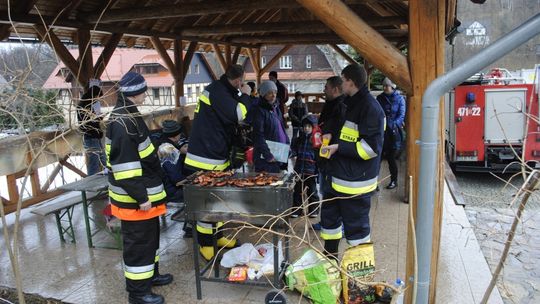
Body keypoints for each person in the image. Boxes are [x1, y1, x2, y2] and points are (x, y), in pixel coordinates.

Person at [105, 71, 173, 304]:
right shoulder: (122, 123)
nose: (146, 94)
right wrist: (141, 197)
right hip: (135, 200)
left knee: (150, 240)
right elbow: (125, 168)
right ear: (134, 93)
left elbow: (141, 152)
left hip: (146, 195)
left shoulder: (129, 114)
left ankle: (150, 276)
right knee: (139, 245)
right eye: (144, 91)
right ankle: (137, 293)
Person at [185, 64, 251, 260]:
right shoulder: (217, 91)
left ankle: (218, 236)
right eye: (242, 83)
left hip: (217, 153)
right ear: (239, 81)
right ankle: (206, 244)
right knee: (207, 204)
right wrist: (246, 95)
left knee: (220, 201)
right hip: (205, 157)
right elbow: (238, 114)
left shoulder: (223, 90)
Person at [319, 64, 385, 259]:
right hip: (336, 178)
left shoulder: (371, 108)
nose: (341, 83)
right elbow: (342, 127)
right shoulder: (349, 102)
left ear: (350, 82)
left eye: (343, 79)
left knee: (356, 232)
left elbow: (371, 148)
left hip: (355, 185)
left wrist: (339, 148)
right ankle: (330, 265)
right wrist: (330, 133)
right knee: (330, 224)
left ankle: (358, 278)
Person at [312, 76, 347, 231]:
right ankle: (326, 221)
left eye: (326, 87)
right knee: (325, 192)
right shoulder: (331, 104)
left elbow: (335, 132)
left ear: (335, 89)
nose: (323, 90)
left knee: (333, 193)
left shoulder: (341, 107)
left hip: (333, 157)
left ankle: (340, 225)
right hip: (325, 156)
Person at [251, 80, 290, 173]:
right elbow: (258, 135)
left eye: (275, 92)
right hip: (266, 159)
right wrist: (267, 154)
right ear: (263, 95)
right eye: (270, 93)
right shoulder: (259, 111)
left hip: (279, 154)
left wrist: (287, 144)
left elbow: (281, 128)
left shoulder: (275, 107)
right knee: (267, 184)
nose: (273, 95)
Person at [377, 77, 406, 190]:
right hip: (381, 132)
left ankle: (394, 181)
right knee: (377, 158)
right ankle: (374, 183)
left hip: (394, 133)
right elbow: (377, 113)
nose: (384, 88)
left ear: (392, 87)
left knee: (391, 158)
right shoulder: (380, 98)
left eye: (387, 86)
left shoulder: (400, 99)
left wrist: (393, 125)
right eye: (383, 86)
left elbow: (401, 115)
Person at [291, 114, 320, 218]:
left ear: (313, 127)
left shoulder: (316, 141)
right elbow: (294, 150)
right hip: (299, 170)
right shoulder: (298, 140)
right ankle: (297, 210)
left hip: (311, 170)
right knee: (298, 190)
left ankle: (314, 210)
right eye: (305, 126)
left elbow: (319, 156)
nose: (306, 128)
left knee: (312, 191)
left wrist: (318, 170)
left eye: (309, 126)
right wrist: (291, 153)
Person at [77, 85, 106, 175]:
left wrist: (98, 118)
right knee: (94, 163)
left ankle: (107, 181)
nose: (98, 99)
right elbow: (88, 123)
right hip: (90, 137)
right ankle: (92, 185)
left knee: (103, 159)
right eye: (97, 96)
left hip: (95, 136)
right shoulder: (84, 106)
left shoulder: (87, 104)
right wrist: (99, 118)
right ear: (93, 95)